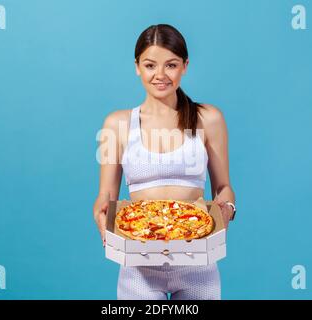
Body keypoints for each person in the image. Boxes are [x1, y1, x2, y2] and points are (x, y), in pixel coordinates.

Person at [93, 24, 236, 300]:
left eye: (171, 65)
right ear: (137, 67)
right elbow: (105, 197)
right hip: (138, 262)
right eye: (149, 65)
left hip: (197, 260)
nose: (160, 75)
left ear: (185, 66)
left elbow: (224, 187)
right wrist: (101, 215)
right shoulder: (116, 124)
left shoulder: (209, 119)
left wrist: (226, 209)